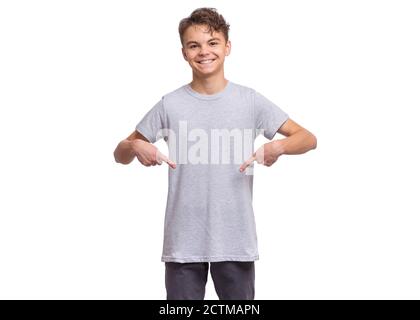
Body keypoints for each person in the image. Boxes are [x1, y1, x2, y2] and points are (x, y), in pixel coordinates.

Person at [113, 7, 317, 300]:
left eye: (212, 43)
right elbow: (119, 154)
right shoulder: (169, 105)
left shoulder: (249, 101)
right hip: (183, 243)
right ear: (184, 52)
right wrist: (134, 146)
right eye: (194, 45)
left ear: (227, 47)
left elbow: (308, 138)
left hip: (235, 239)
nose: (203, 52)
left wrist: (279, 147)